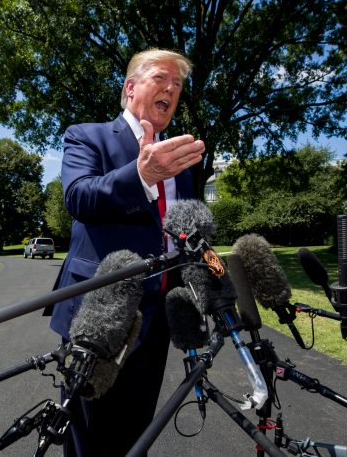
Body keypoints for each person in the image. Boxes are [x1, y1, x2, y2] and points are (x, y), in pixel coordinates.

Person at [44, 48, 205, 456]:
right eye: (161, 79)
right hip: (99, 316)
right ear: (130, 87)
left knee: (135, 437)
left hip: (155, 324)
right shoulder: (87, 136)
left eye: (179, 85)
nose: (172, 89)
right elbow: (79, 198)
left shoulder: (179, 162)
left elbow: (183, 234)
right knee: (88, 439)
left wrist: (214, 279)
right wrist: (141, 175)